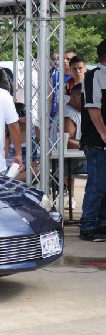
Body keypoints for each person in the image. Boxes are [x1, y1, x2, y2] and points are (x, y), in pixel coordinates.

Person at [78, 39, 106, 242]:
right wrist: (104, 135)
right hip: (96, 140)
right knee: (97, 183)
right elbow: (93, 108)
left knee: (104, 184)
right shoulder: (93, 76)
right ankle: (88, 226)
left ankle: (102, 224)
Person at [50, 49, 77, 118]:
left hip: (69, 114)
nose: (65, 61)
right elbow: (50, 95)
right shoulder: (56, 73)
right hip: (53, 113)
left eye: (68, 59)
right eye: (63, 58)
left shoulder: (77, 77)